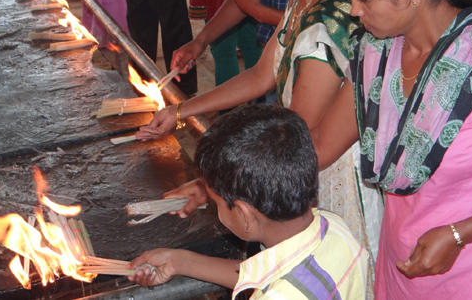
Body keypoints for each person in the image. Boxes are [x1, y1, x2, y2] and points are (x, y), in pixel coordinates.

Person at [136, 0, 383, 285]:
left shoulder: (325, 25)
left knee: (320, 277)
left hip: (322, 175)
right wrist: (182, 110)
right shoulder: (304, 1)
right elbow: (260, 75)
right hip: (298, 167)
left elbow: (291, 151)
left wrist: (214, 188)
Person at [310, 0, 472, 298]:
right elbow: (321, 145)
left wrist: (459, 233)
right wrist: (227, 176)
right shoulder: (378, 53)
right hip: (402, 271)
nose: (354, 10)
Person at [128, 104, 369, 299]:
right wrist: (177, 261)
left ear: (244, 214)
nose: (216, 209)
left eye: (216, 202)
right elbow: (264, 274)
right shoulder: (334, 227)